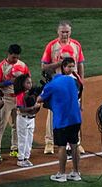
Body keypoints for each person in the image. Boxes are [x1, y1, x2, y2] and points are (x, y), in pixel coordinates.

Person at [41, 20, 86, 155]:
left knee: (74, 111)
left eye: (67, 32)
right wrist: (59, 64)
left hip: (73, 84)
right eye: (62, 32)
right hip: (58, 83)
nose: (65, 34)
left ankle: (76, 143)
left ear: (70, 32)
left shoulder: (76, 45)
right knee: (53, 111)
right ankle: (49, 142)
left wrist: (81, 81)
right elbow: (44, 66)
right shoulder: (51, 46)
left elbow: (80, 64)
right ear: (58, 32)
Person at [36, 57, 83, 183]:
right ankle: (76, 173)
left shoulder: (50, 85)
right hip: (76, 118)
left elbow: (39, 99)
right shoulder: (71, 81)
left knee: (62, 147)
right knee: (74, 145)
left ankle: (62, 174)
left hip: (61, 120)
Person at [0, 44, 30, 162]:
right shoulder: (1, 67)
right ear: (8, 54)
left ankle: (15, 148)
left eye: (17, 57)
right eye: (13, 57)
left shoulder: (22, 65)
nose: (15, 59)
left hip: (18, 98)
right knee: (1, 125)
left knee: (16, 125)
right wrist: (9, 82)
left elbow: (28, 79)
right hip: (6, 99)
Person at [14, 74, 41, 167]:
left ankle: (26, 157)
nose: (30, 84)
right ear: (22, 84)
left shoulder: (31, 94)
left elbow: (35, 108)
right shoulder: (20, 95)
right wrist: (33, 107)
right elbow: (21, 109)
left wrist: (36, 108)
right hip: (23, 118)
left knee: (29, 139)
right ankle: (20, 159)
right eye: (28, 83)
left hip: (31, 118)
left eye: (30, 82)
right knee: (23, 139)